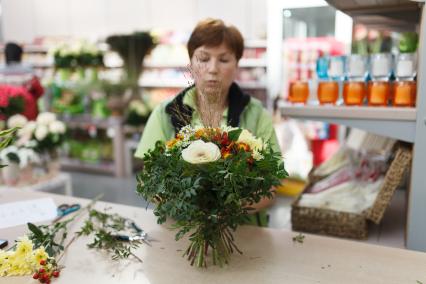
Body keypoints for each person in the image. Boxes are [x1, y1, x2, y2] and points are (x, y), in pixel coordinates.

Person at [135, 18, 282, 226]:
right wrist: (190, 209)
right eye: (203, 59)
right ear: (191, 62)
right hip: (183, 231)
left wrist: (228, 210)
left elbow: (272, 185)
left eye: (223, 60)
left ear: (237, 64)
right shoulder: (166, 113)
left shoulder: (256, 114)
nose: (213, 69)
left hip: (244, 233)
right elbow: (149, 179)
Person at [0, 42, 44, 120]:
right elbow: (38, 90)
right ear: (20, 54)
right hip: (26, 108)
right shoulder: (27, 70)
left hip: (5, 109)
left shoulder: (1, 70)